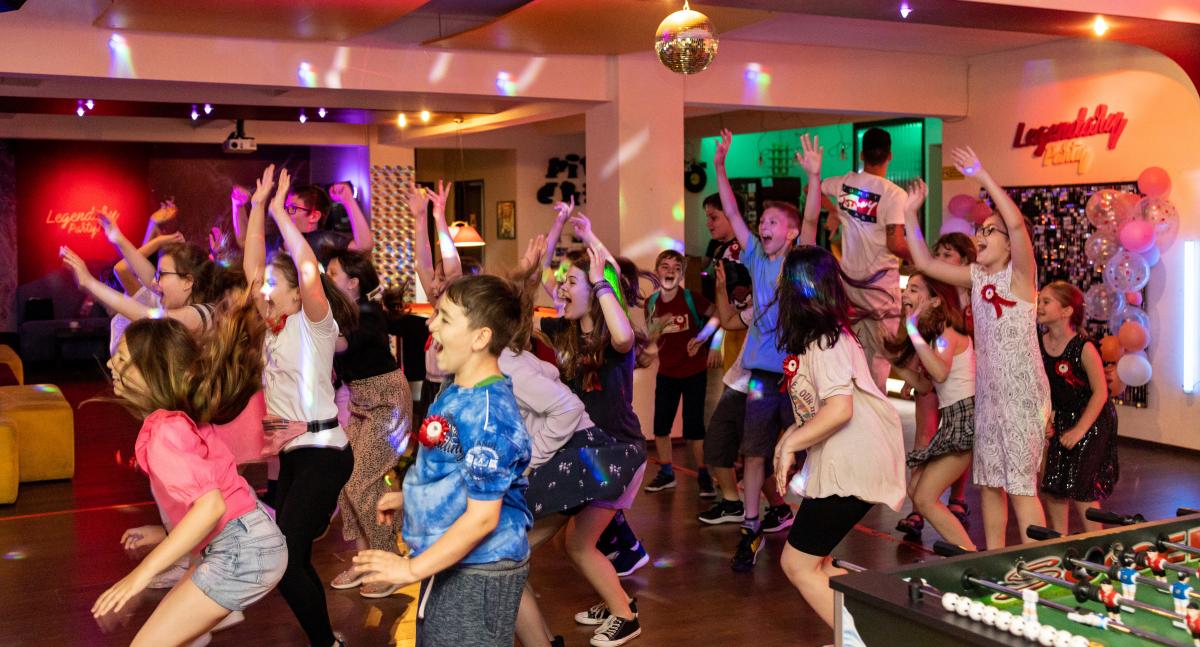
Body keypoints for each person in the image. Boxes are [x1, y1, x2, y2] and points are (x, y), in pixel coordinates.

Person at [89, 296, 286, 646]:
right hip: (246, 539)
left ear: (152, 371)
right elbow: (216, 496)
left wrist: (139, 576)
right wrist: (164, 533)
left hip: (241, 550)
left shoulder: (165, 431)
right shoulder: (176, 421)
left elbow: (211, 506)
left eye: (121, 359)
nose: (110, 363)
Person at [352, 274, 533, 646]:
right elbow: (453, 471)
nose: (431, 325)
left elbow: (483, 518)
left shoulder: (489, 415)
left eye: (445, 319)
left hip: (480, 569)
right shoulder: (456, 389)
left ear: (480, 338)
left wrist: (410, 569)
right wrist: (410, 498)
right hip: (451, 557)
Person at [903, 147, 1050, 549]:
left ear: (1010, 244)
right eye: (980, 230)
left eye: (989, 231)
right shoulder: (976, 277)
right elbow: (925, 263)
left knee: (1020, 486)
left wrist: (982, 174)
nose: (980, 236)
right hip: (988, 395)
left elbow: (1015, 224)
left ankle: (1039, 563)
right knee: (988, 484)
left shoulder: (1021, 277)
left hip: (1021, 393)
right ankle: (994, 560)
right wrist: (910, 214)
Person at [243, 164, 358, 647]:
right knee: (292, 557)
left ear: (296, 291)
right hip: (293, 453)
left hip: (325, 450)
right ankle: (327, 639)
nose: (264, 289)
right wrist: (256, 207)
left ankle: (326, 643)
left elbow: (308, 268)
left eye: (275, 283)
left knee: (285, 559)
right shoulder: (272, 325)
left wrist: (280, 215)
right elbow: (251, 273)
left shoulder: (315, 325)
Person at [771, 245, 906, 634]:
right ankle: (870, 631)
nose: (778, 281)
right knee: (818, 563)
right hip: (844, 462)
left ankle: (858, 641)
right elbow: (818, 411)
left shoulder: (826, 341)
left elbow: (840, 409)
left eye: (784, 273)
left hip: (853, 465)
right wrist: (790, 438)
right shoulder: (818, 339)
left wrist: (790, 445)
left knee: (797, 564)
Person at [711, 128, 823, 571]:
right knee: (754, 451)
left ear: (791, 232)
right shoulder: (756, 257)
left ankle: (807, 525)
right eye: (763, 222)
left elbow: (811, 219)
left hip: (797, 376)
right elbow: (732, 211)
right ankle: (751, 528)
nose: (764, 227)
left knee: (805, 450)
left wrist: (814, 177)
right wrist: (720, 166)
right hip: (760, 377)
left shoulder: (800, 258)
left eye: (774, 223)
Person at [325, 249, 413, 598]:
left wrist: (308, 323)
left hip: (388, 404)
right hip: (362, 403)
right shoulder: (340, 313)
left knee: (362, 482)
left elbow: (341, 345)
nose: (326, 277)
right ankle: (365, 562)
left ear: (353, 282)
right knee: (346, 480)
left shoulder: (368, 312)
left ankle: (390, 562)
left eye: (332, 273)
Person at [884, 273, 976, 550]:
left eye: (914, 289)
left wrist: (911, 330)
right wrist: (893, 362)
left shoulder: (947, 332)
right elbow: (925, 386)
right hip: (953, 419)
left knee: (924, 497)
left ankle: (968, 553)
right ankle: (965, 551)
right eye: (906, 289)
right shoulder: (937, 336)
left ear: (936, 301)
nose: (905, 295)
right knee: (915, 490)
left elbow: (939, 372)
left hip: (965, 418)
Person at [820, 127, 910, 391]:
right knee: (880, 357)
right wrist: (922, 256)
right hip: (881, 289)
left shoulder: (846, 184)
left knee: (851, 353)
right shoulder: (894, 194)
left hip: (849, 285)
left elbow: (812, 187)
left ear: (862, 154)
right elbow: (896, 244)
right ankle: (875, 411)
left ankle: (851, 408)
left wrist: (834, 211)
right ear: (890, 155)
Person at [1037, 281, 1118, 535]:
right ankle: (1059, 541)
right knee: (1053, 484)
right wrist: (1046, 419)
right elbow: (1040, 388)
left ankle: (1097, 544)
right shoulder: (1038, 343)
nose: (1039, 306)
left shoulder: (1084, 347)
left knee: (1082, 484)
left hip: (1092, 419)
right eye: (1039, 301)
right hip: (1062, 417)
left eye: (1046, 302)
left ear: (1066, 311)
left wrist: (1079, 430)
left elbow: (1100, 392)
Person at [643, 249, 718, 496]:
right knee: (660, 427)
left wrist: (703, 337)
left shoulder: (691, 298)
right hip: (667, 373)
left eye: (676, 268)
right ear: (657, 271)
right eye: (665, 267)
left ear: (682, 274)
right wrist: (652, 337)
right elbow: (653, 336)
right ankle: (667, 473)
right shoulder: (651, 303)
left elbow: (718, 315)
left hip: (694, 372)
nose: (670, 272)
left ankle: (704, 475)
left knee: (694, 428)